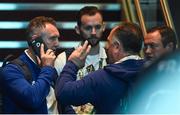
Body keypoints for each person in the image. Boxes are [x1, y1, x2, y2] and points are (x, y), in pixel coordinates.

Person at [55, 22, 145, 114]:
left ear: (117, 47)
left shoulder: (102, 78)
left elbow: (63, 94)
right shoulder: (154, 72)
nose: (106, 46)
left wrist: (72, 64)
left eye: (108, 42)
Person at [1, 16, 59, 113]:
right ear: (36, 41)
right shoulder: (11, 70)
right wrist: (47, 68)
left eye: (57, 38)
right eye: (52, 38)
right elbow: (33, 100)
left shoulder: (52, 65)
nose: (57, 44)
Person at [54, 6, 107, 114]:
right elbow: (56, 97)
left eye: (97, 27)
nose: (93, 32)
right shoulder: (63, 58)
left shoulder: (111, 58)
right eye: (88, 28)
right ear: (77, 29)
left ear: (103, 27)